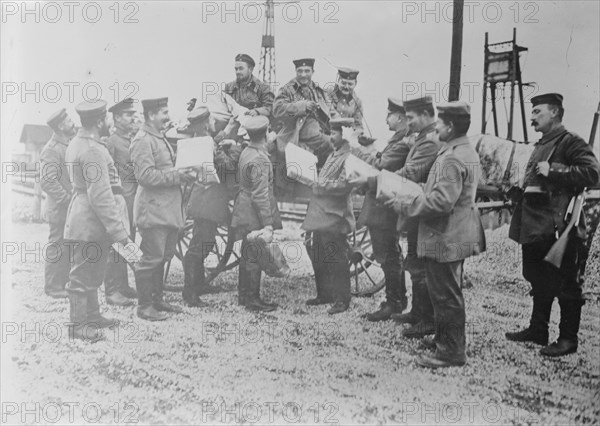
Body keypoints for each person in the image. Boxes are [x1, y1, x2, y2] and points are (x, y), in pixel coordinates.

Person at [386, 101, 486, 368]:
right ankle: (444, 338)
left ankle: (451, 351)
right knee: (444, 290)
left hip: (446, 234)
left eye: (440, 123)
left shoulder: (452, 156)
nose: (437, 127)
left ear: (450, 126)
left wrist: (405, 204)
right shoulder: (463, 150)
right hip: (455, 231)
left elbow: (441, 202)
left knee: (446, 294)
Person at [506, 93, 600, 357]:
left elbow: (593, 174)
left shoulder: (570, 142)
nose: (532, 116)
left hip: (559, 226)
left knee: (566, 282)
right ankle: (538, 329)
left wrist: (555, 171)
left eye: (537, 111)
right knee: (538, 276)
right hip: (536, 225)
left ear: (555, 112)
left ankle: (568, 339)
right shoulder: (541, 143)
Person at [63, 100, 132, 342]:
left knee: (93, 271)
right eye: (107, 118)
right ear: (100, 121)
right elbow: (101, 196)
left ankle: (92, 316)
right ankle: (78, 325)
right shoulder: (92, 149)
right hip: (89, 222)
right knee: (82, 274)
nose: (110, 122)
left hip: (87, 220)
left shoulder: (80, 143)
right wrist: (120, 232)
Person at [130, 97, 196, 321]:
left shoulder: (158, 137)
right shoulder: (143, 140)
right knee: (150, 258)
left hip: (166, 210)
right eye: (164, 113)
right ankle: (145, 306)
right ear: (151, 115)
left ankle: (156, 299)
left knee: (163, 256)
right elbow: (145, 175)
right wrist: (177, 176)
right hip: (153, 211)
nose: (168, 117)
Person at [349, 98, 411, 321]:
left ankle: (393, 303)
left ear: (400, 117)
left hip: (384, 205)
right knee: (391, 253)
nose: (386, 119)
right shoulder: (399, 140)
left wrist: (354, 150)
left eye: (389, 115)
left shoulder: (402, 142)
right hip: (383, 203)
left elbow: (381, 164)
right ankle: (398, 299)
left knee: (387, 254)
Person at [391, 96, 441, 338]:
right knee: (413, 261)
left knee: (420, 267)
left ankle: (426, 319)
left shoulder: (431, 141)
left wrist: (382, 178)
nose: (408, 122)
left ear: (424, 114)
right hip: (415, 208)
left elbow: (412, 172)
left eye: (411, 117)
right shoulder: (422, 137)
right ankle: (417, 312)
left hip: (423, 210)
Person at [182, 106, 242, 307]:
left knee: (204, 242)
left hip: (204, 199)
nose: (215, 123)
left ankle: (198, 283)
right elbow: (227, 166)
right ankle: (189, 293)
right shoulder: (207, 142)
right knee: (200, 246)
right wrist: (234, 146)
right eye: (212, 120)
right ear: (206, 124)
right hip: (209, 201)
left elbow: (214, 145)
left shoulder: (199, 140)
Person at [302, 118, 355, 315]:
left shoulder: (349, 156)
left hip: (335, 215)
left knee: (336, 257)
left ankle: (342, 299)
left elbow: (344, 186)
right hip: (322, 213)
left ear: (344, 134)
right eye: (331, 133)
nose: (331, 137)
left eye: (335, 133)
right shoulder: (335, 154)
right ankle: (325, 294)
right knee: (317, 252)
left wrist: (319, 185)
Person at [231, 115, 282, 312]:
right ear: (266, 133)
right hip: (253, 212)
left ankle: (244, 296)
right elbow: (260, 195)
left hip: (243, 208)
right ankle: (252, 300)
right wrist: (267, 224)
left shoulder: (247, 151)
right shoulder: (260, 159)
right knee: (254, 256)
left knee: (247, 253)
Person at [103, 98, 139, 306]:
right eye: (127, 114)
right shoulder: (111, 142)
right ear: (116, 118)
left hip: (132, 201)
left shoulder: (131, 139)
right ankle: (112, 290)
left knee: (127, 242)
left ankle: (123, 285)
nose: (133, 117)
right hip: (119, 201)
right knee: (114, 245)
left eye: (133, 113)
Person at [273, 58, 339, 166]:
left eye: (307, 71)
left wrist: (341, 123)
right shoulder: (287, 89)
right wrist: (302, 106)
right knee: (331, 145)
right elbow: (277, 110)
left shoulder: (319, 91)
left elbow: (332, 111)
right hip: (296, 134)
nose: (303, 74)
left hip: (320, 132)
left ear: (313, 72)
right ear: (296, 71)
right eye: (300, 71)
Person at [39, 108, 76, 299]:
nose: (72, 122)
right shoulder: (52, 149)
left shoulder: (67, 144)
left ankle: (63, 283)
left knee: (66, 246)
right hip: (60, 209)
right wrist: (68, 199)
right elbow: (47, 181)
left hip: (68, 209)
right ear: (61, 126)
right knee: (57, 246)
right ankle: (53, 287)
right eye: (69, 120)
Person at [327, 67, 364, 134]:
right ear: (338, 81)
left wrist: (360, 134)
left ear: (355, 84)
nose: (346, 87)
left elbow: (358, 125)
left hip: (345, 138)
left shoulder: (357, 102)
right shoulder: (328, 93)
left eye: (350, 84)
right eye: (343, 83)